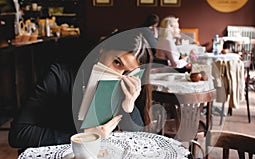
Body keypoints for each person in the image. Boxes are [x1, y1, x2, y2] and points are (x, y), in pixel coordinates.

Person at [8, 29, 153, 152]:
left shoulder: (125, 86)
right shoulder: (59, 75)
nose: (119, 75)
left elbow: (136, 139)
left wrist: (129, 107)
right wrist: (84, 136)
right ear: (102, 49)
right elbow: (18, 134)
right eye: (116, 62)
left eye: (128, 72)